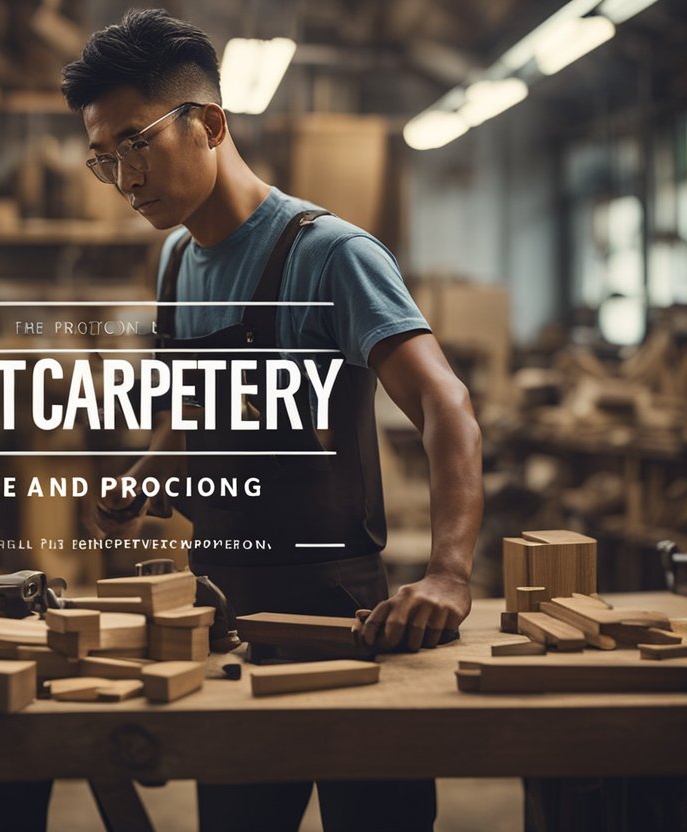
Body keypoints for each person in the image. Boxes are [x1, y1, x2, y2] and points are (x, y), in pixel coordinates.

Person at [66, 9, 483, 832]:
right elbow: (198, 408)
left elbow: (448, 406)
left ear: (210, 123)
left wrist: (449, 575)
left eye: (136, 143)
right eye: (103, 158)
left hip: (341, 616)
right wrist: (146, 475)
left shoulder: (330, 256)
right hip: (227, 611)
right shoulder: (178, 259)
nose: (124, 177)